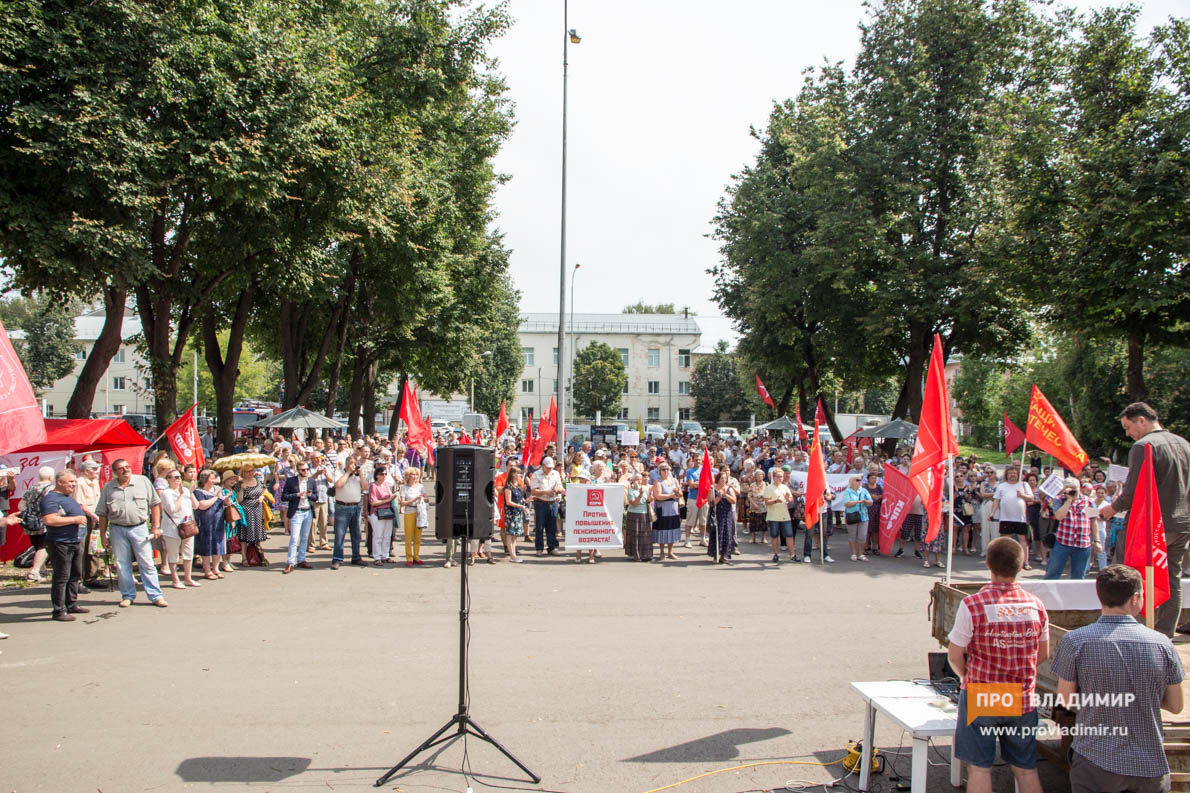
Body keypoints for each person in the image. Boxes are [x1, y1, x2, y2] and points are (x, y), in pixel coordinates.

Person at [1051, 565, 1184, 793]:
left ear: (1100, 595)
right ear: (1135, 598)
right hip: (1148, 765)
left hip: (1094, 761)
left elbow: (1066, 700)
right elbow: (1175, 705)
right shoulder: (1162, 644)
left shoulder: (1076, 641)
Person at [947, 537, 1048, 793]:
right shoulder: (1036, 606)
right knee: (1026, 768)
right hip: (1022, 694)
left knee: (979, 767)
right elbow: (1042, 654)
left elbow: (955, 655)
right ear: (1021, 564)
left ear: (988, 564)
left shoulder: (972, 604)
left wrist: (965, 677)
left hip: (983, 691)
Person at [1100, 403, 1190, 637]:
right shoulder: (1185, 444)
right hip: (1182, 524)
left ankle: (1127, 632)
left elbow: (1131, 492)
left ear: (1141, 420)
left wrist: (1112, 508)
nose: (1128, 434)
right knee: (1173, 579)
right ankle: (1164, 635)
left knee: (1126, 576)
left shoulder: (1144, 446)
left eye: (1128, 427)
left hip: (1149, 527)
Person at [95, 458, 168, 608]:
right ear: (115, 472)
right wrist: (103, 535)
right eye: (121, 468)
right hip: (117, 529)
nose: (125, 470)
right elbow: (102, 514)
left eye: (127, 466)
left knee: (147, 563)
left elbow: (155, 504)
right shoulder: (109, 488)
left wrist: (155, 526)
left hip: (139, 527)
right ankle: (128, 595)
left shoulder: (143, 481)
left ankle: (156, 596)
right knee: (122, 564)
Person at [39, 470, 89, 621]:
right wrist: (74, 520)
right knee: (62, 576)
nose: (73, 485)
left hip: (74, 541)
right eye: (70, 482)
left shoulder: (67, 497)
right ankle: (59, 610)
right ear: (59, 482)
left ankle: (71, 603)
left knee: (75, 573)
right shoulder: (51, 499)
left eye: (74, 481)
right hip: (60, 542)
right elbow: (50, 520)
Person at [1045, 478, 1098, 580]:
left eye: (1074, 489)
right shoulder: (1059, 499)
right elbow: (1059, 516)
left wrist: (1097, 540)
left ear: (1079, 488)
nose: (1072, 491)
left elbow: (1093, 520)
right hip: (1063, 542)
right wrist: (1068, 500)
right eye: (1068, 488)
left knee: (1078, 575)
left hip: (1082, 544)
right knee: (1053, 572)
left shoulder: (1089, 501)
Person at [160, 467, 201, 588]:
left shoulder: (186, 490)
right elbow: (173, 510)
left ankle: (188, 577)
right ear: (168, 480)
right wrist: (181, 495)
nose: (178, 480)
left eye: (179, 477)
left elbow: (196, 506)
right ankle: (175, 579)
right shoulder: (166, 493)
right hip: (173, 528)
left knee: (188, 553)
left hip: (188, 526)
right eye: (175, 477)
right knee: (173, 555)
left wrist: (190, 493)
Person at [16, 466, 54, 583]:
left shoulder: (31, 488)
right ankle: (35, 570)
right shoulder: (51, 489)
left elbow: (20, 505)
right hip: (44, 521)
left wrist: (29, 514)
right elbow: (52, 505)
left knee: (37, 545)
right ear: (51, 477)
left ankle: (41, 570)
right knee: (44, 546)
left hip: (31, 522)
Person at [991, 466, 1034, 570]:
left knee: (1023, 540)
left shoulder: (1023, 485)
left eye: (1014, 473)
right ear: (1007, 474)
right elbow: (996, 500)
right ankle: (1005, 562)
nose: (1012, 475)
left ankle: (1025, 562)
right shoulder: (1002, 486)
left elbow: (1031, 498)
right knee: (1006, 541)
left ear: (1018, 474)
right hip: (1005, 518)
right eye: (1010, 473)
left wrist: (1022, 495)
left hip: (1020, 518)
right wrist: (992, 513)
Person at [192, 469, 229, 580]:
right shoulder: (199, 492)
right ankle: (207, 570)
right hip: (205, 523)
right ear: (205, 479)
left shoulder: (218, 489)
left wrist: (227, 499)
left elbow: (225, 504)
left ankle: (216, 569)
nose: (214, 479)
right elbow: (202, 505)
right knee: (206, 546)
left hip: (218, 522)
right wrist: (216, 497)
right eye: (212, 477)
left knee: (218, 545)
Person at [331, 455, 366, 569]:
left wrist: (360, 474)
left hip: (356, 507)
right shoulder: (339, 473)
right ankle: (337, 559)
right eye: (350, 463)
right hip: (342, 507)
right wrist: (347, 473)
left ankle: (356, 557)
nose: (353, 466)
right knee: (340, 535)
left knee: (356, 534)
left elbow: (366, 487)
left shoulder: (357, 475)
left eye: (354, 463)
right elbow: (338, 485)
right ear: (346, 464)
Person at [281, 460, 316, 574]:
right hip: (297, 511)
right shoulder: (291, 481)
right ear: (298, 470)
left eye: (307, 469)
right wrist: (297, 495)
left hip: (308, 511)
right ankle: (291, 562)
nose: (306, 471)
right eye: (303, 470)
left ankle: (301, 559)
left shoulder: (311, 481)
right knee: (294, 538)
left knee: (305, 537)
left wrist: (311, 496)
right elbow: (284, 496)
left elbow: (316, 497)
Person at [530, 456, 564, 557]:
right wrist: (545, 492)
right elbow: (533, 491)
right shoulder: (536, 474)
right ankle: (539, 548)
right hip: (541, 502)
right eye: (548, 467)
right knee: (540, 527)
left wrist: (557, 489)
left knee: (552, 527)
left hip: (553, 502)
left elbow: (560, 487)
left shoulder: (556, 473)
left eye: (551, 467)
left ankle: (552, 547)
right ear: (543, 466)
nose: (550, 469)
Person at [237, 464, 269, 567]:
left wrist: (262, 497)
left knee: (258, 534)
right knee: (245, 534)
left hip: (257, 509)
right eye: (247, 471)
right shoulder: (240, 483)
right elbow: (239, 500)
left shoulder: (259, 481)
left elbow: (265, 491)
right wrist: (242, 489)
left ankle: (259, 555)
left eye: (251, 470)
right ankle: (244, 557)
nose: (250, 473)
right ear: (243, 473)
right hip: (246, 509)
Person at [763, 468, 795, 563]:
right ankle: (776, 554)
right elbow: (767, 502)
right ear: (774, 477)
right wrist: (775, 501)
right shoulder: (769, 488)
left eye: (782, 476)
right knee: (774, 535)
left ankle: (792, 554)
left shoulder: (785, 487)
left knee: (789, 535)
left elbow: (791, 499)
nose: (781, 478)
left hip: (785, 515)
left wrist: (788, 498)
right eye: (778, 477)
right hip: (773, 515)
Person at [651, 462, 681, 561]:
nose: (666, 471)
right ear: (660, 471)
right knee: (662, 529)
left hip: (673, 508)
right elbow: (657, 496)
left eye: (668, 469)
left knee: (672, 528)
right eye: (664, 469)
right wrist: (670, 496)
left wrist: (677, 493)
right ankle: (662, 551)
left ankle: (670, 551)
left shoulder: (674, 480)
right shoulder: (657, 482)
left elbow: (680, 494)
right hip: (663, 509)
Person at [399, 467, 428, 566]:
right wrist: (414, 499)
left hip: (419, 512)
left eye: (416, 474)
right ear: (408, 476)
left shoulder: (420, 486)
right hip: (409, 511)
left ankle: (416, 556)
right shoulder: (404, 488)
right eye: (413, 474)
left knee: (418, 536)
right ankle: (409, 558)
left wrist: (424, 498)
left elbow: (427, 498)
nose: (415, 476)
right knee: (408, 536)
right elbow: (402, 503)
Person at [841, 474, 872, 562]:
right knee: (852, 535)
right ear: (852, 481)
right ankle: (853, 553)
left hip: (863, 516)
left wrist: (866, 501)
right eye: (857, 480)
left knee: (862, 536)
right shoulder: (848, 491)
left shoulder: (864, 490)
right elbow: (846, 503)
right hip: (852, 515)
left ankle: (861, 554)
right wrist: (858, 502)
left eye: (860, 480)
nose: (859, 482)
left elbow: (870, 502)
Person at [707, 470, 736, 564]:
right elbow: (711, 503)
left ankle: (724, 556)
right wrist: (718, 497)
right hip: (717, 514)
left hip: (727, 514)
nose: (723, 480)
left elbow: (734, 501)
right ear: (718, 479)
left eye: (725, 478)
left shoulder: (729, 489)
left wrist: (725, 495)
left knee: (727, 534)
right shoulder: (712, 489)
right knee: (716, 534)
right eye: (722, 478)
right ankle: (715, 555)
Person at [623, 473, 651, 562]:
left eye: (640, 479)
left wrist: (651, 497)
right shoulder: (631, 490)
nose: (639, 481)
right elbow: (634, 504)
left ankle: (645, 555)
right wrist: (640, 495)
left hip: (644, 514)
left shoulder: (645, 488)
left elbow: (649, 500)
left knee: (644, 535)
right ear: (633, 481)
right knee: (635, 535)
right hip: (634, 514)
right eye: (637, 479)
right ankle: (635, 555)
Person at [501, 467, 526, 563]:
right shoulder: (508, 486)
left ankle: (513, 554)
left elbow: (520, 499)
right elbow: (508, 501)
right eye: (517, 473)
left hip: (517, 513)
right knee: (510, 534)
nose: (519, 475)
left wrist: (526, 501)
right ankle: (512, 555)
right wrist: (521, 506)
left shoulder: (518, 485)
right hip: (511, 513)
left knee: (514, 535)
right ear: (513, 474)